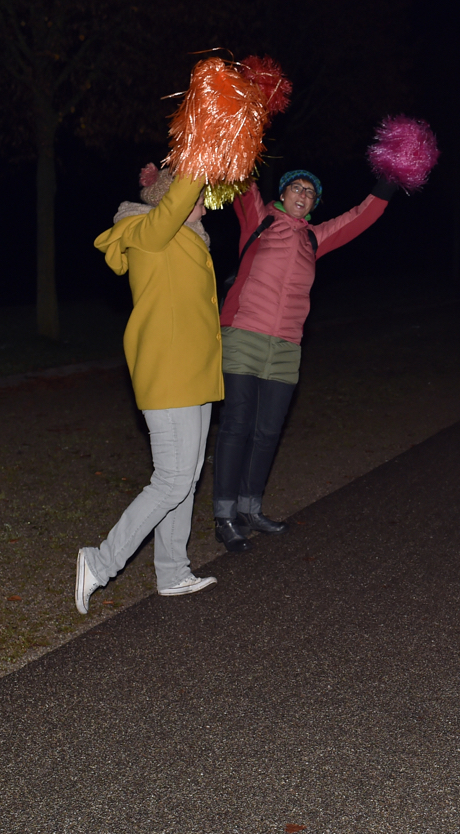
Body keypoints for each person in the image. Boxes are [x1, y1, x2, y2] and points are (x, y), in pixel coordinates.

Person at [212, 170, 398, 551]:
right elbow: (240, 179)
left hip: (286, 346)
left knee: (268, 431)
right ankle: (225, 516)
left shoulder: (314, 237)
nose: (303, 194)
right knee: (237, 423)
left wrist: (390, 179)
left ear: (314, 204)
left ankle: (250, 509)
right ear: (282, 192)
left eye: (311, 192)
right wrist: (234, 135)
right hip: (244, 333)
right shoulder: (258, 217)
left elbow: (361, 216)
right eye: (297, 187)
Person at [77, 165, 223, 613]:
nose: (204, 200)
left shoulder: (185, 238)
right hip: (168, 371)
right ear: (167, 198)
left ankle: (172, 570)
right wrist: (198, 156)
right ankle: (99, 562)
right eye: (196, 193)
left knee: (187, 478)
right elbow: (178, 201)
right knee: (172, 479)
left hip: (194, 372)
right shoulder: (147, 231)